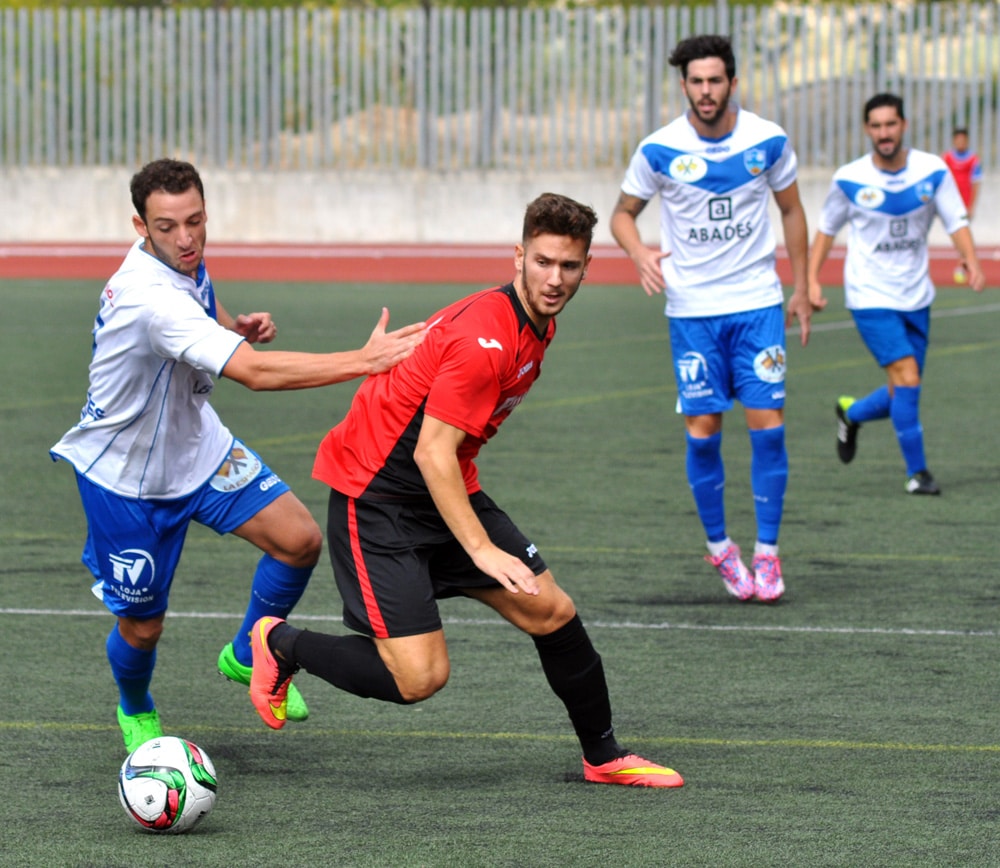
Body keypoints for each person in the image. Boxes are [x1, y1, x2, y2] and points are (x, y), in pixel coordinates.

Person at [247, 193, 684, 788]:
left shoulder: (537, 322)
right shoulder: (488, 339)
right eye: (543, 262)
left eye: (569, 266)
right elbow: (431, 451)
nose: (555, 279)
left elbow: (444, 456)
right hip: (375, 497)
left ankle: (603, 757)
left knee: (551, 610)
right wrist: (481, 550)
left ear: (586, 266)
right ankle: (281, 643)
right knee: (420, 678)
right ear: (518, 257)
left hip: (443, 486)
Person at [50, 158, 426, 753]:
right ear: (139, 226)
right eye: (168, 226)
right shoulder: (149, 299)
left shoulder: (181, 261)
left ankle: (248, 652)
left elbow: (203, 306)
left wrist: (234, 325)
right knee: (143, 626)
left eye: (195, 221)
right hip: (126, 480)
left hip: (198, 447)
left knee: (299, 540)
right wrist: (365, 361)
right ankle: (136, 705)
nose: (187, 238)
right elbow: (251, 374)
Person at [609, 34, 812, 604]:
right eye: (695, 82)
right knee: (704, 431)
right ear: (684, 86)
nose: (705, 91)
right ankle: (722, 548)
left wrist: (805, 284)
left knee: (768, 424)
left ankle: (768, 554)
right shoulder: (658, 150)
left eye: (715, 80)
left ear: (733, 82)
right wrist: (639, 252)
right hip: (693, 313)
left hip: (757, 305)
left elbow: (792, 209)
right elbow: (623, 215)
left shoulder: (767, 141)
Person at [808, 93, 985, 495]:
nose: (884, 133)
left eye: (891, 124)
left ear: (903, 126)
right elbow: (826, 230)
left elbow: (956, 220)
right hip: (869, 296)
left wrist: (971, 260)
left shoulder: (932, 171)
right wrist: (812, 280)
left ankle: (851, 413)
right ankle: (918, 473)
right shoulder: (850, 178)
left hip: (916, 295)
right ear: (867, 130)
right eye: (876, 126)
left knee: (903, 388)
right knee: (906, 377)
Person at [942, 127, 983, 284]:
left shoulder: (973, 160)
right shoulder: (946, 158)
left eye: (963, 140)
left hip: (964, 204)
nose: (960, 142)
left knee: (963, 233)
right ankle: (963, 261)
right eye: (957, 140)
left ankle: (962, 263)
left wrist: (971, 205)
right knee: (954, 234)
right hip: (948, 202)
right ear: (954, 141)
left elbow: (976, 183)